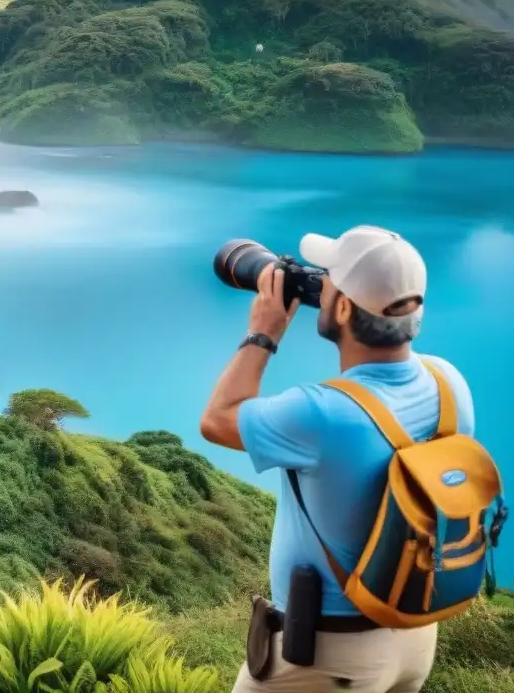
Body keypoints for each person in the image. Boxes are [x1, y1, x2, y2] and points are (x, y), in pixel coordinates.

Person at [199, 226, 472, 693]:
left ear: (343, 307)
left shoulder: (320, 412)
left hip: (328, 657)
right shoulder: (448, 382)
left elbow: (217, 420)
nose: (318, 284)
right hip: (414, 636)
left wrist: (262, 333)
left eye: (328, 279)